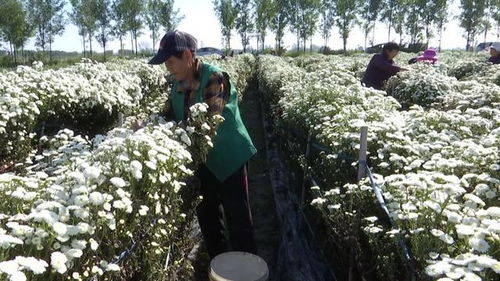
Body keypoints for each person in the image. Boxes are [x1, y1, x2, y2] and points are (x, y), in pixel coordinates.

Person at [148, 30, 257, 259]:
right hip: (203, 161)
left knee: (238, 221)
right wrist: (148, 126)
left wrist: (171, 135)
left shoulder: (215, 78)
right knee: (208, 219)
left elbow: (207, 125)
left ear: (188, 55)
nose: (167, 67)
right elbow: (167, 115)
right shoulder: (177, 85)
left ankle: (247, 269)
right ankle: (219, 266)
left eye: (170, 61)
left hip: (230, 159)